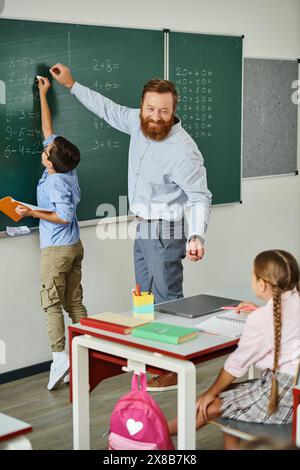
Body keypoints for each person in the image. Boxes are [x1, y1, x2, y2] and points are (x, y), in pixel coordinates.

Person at [49, 63, 212, 391]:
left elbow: (199, 196)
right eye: (151, 109)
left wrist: (196, 234)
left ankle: (175, 368)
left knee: (169, 300)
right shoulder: (137, 123)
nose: (156, 117)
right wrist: (71, 84)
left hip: (166, 229)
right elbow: (106, 108)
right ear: (142, 107)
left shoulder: (183, 150)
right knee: (144, 296)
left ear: (173, 110)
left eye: (163, 111)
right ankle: (155, 356)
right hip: (143, 226)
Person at [167, 249, 300, 449]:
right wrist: (260, 310)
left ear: (262, 284)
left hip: (282, 397)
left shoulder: (262, 319)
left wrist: (209, 393)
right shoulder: (290, 303)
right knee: (227, 398)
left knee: (207, 405)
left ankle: (153, 433)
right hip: (294, 390)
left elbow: (236, 366)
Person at [15, 76, 87, 391]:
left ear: (51, 163)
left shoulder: (56, 180)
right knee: (73, 301)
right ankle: (89, 353)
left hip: (57, 250)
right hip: (73, 246)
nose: (45, 148)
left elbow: (63, 215)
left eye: (48, 151)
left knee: (51, 303)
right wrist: (44, 93)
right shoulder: (65, 166)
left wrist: (32, 213)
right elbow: (48, 129)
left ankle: (60, 358)